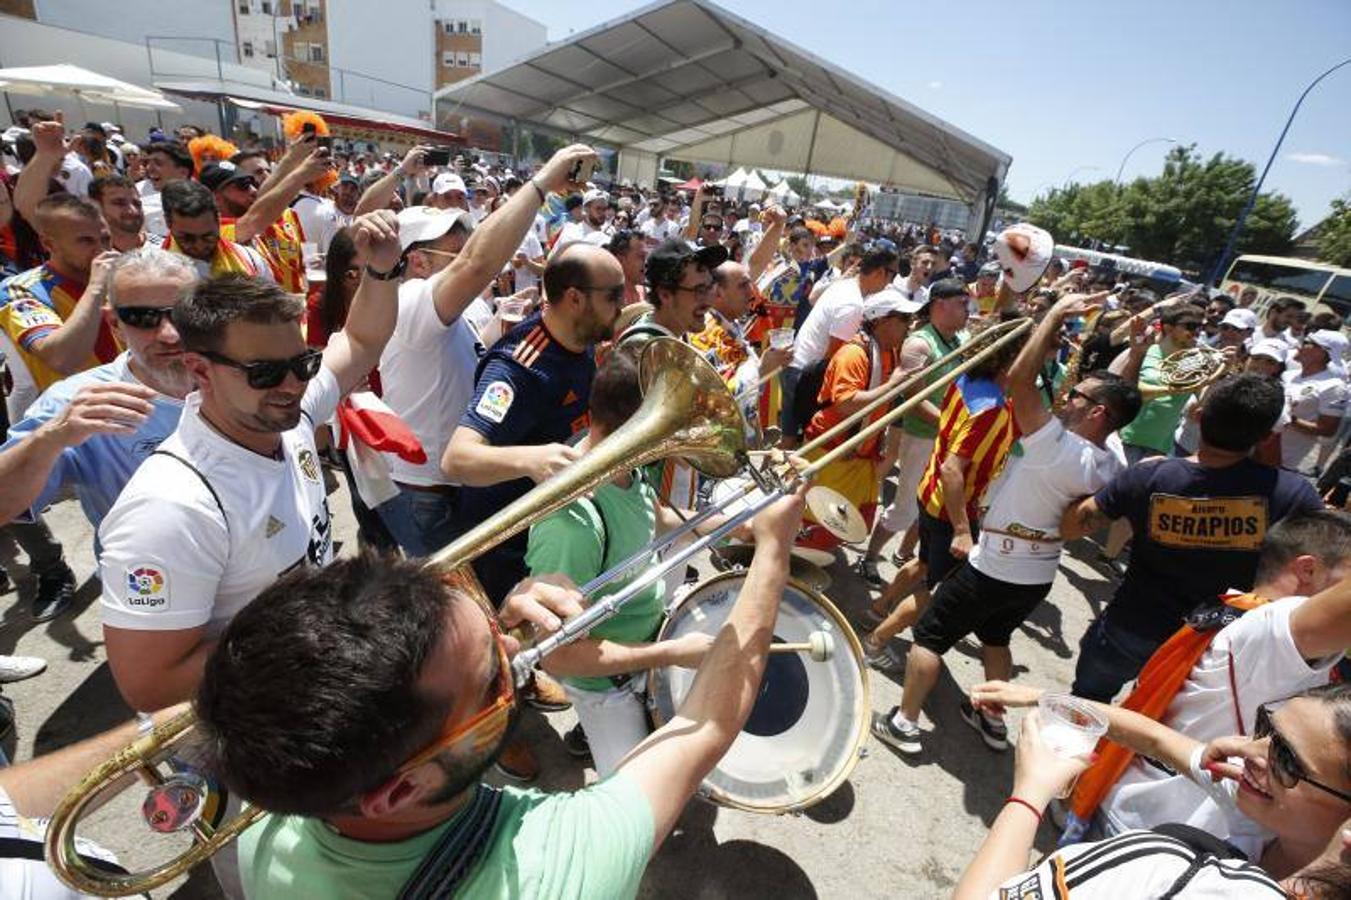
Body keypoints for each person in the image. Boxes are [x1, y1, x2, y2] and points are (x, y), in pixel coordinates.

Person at [195, 488, 807, 900]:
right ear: (401, 789)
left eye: (496, 634)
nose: (516, 654)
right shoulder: (556, 866)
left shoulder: (264, 813)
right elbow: (706, 723)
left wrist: (488, 628)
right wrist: (774, 548)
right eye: (492, 682)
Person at [95, 211, 402, 714]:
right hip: (250, 738)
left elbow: (361, 341)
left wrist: (383, 271)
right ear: (200, 370)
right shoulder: (173, 507)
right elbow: (148, 683)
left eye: (302, 365)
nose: (292, 385)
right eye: (264, 373)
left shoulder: (284, 412)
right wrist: (319, 620)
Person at [872, 293, 1140, 756]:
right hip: (1037, 576)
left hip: (994, 563)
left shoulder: (1050, 441)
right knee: (996, 639)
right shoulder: (1111, 461)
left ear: (1097, 414)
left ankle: (905, 721)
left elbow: (1018, 379)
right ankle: (991, 719)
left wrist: (1054, 314)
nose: (1067, 395)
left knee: (931, 636)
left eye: (1078, 396)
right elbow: (1121, 401)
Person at [526, 346, 743, 774]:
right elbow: (559, 658)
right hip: (608, 687)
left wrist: (730, 525)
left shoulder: (627, 466)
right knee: (635, 795)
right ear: (641, 430)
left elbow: (650, 516)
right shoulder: (571, 524)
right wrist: (669, 652)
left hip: (648, 643)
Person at [1082, 512, 1351, 854]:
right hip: (1163, 840)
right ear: (1308, 569)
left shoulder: (1234, 610)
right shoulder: (1269, 636)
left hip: (1134, 809)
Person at [375, 144, 597, 558]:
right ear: (418, 262)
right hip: (426, 493)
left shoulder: (462, 308)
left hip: (450, 485)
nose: (469, 256)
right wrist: (543, 182)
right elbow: (478, 265)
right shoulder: (410, 299)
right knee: (448, 606)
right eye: (455, 251)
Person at [1061, 373, 1324, 702]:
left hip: (1132, 625)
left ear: (1198, 416)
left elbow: (1072, 526)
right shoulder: (1294, 494)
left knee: (1084, 704)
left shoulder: (1151, 475)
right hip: (1211, 646)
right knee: (1157, 733)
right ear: (1268, 435)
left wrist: (1121, 481)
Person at [952, 687, 1351, 899]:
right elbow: (1157, 739)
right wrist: (1043, 696)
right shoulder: (1261, 796)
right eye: (1264, 728)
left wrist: (1030, 793)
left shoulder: (1178, 871)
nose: (1246, 751)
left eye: (1285, 758)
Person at [441, 241, 624, 606]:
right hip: (503, 551)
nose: (622, 304)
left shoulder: (580, 338)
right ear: (575, 299)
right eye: (613, 296)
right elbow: (456, 459)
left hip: (545, 533)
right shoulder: (518, 368)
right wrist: (534, 460)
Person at [862, 317, 1022, 666]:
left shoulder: (968, 380)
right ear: (1013, 360)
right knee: (937, 589)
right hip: (951, 509)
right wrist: (964, 530)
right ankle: (875, 643)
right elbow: (954, 470)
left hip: (930, 495)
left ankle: (877, 609)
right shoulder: (990, 408)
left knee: (922, 564)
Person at [0, 247, 195, 530]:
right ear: (115, 324)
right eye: (142, 318)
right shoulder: (76, 403)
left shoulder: (248, 370)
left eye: (182, 313)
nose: (169, 334)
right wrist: (51, 438)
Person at [860, 277, 971, 584]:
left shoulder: (959, 340)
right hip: (921, 437)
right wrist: (953, 427)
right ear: (940, 305)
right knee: (906, 504)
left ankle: (906, 555)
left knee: (931, 504)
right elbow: (914, 399)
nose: (967, 310)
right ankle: (869, 558)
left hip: (947, 437)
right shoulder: (920, 343)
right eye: (962, 303)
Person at [798, 288, 920, 551]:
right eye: (903, 320)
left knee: (843, 520)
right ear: (882, 320)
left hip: (859, 453)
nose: (909, 327)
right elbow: (845, 404)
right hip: (832, 450)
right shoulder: (854, 353)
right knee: (812, 521)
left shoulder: (890, 351)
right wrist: (893, 386)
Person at [159, 179, 273, 282]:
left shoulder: (249, 259)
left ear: (218, 220)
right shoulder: (156, 270)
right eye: (187, 238)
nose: (200, 246)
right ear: (168, 223)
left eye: (208, 236)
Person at [1281, 330, 1348, 475]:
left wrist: (1289, 419)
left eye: (1306, 343)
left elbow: (1327, 430)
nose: (1300, 345)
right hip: (1255, 447)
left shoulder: (1334, 386)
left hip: (1283, 460)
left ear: (1322, 352)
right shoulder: (1289, 375)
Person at [137, 140, 194, 238]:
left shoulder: (206, 204)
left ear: (183, 172)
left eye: (158, 163)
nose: (149, 168)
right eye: (147, 163)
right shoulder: (142, 207)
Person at [88, 174, 145, 253]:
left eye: (137, 204)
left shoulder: (163, 248)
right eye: (120, 203)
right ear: (96, 207)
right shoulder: (88, 257)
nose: (133, 211)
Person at [551, 188, 610, 256]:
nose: (602, 213)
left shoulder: (607, 240)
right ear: (586, 209)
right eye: (598, 209)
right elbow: (553, 256)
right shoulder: (569, 230)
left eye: (605, 209)